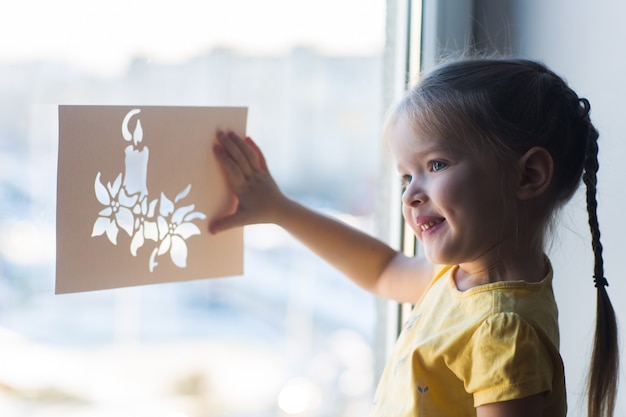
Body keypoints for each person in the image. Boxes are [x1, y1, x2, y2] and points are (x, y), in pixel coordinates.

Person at [209, 58, 619, 417]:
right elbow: (383, 269)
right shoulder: (460, 278)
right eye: (406, 176)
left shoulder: (502, 330)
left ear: (528, 175)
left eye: (436, 164)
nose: (410, 194)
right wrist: (279, 209)